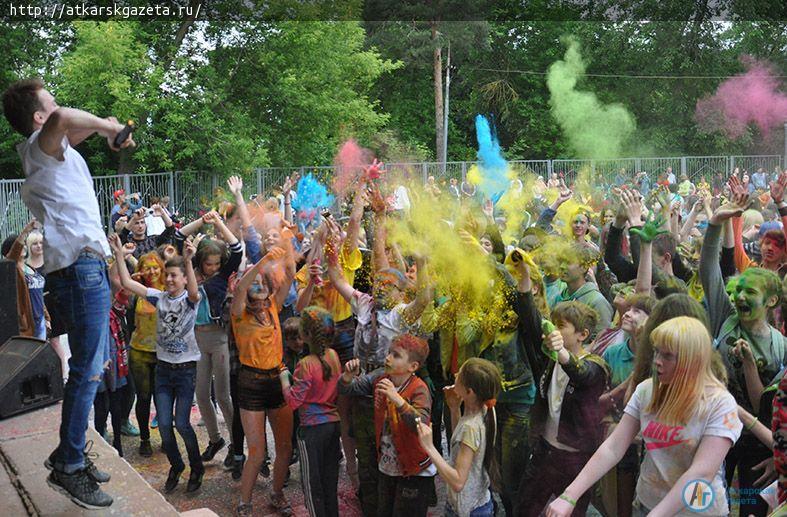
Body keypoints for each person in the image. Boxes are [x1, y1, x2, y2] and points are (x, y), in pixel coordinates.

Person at [3, 78, 134, 508]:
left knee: (89, 367)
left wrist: (103, 130)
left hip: (82, 269)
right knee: (87, 372)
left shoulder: (52, 153)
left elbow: (69, 128)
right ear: (39, 118)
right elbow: (63, 120)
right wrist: (107, 125)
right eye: (51, 104)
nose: (59, 108)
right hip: (79, 270)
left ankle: (67, 451)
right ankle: (70, 467)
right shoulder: (45, 144)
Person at [546, 317, 742, 517]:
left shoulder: (719, 403)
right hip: (647, 504)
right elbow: (613, 447)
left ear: (692, 360)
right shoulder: (647, 390)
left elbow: (701, 472)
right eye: (656, 351)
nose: (657, 360)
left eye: (667, 356)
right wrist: (569, 495)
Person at [110, 233, 205, 494]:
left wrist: (187, 260)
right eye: (169, 275)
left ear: (185, 278)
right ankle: (177, 465)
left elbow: (195, 292)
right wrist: (119, 254)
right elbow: (128, 282)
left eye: (177, 275)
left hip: (185, 371)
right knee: (164, 424)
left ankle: (196, 467)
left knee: (182, 424)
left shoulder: (190, 299)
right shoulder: (158, 297)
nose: (171, 279)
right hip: (163, 370)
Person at [515, 301, 610, 516]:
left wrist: (561, 351)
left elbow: (581, 373)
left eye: (561, 326)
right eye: (553, 324)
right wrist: (524, 282)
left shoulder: (597, 367)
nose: (554, 331)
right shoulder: (550, 359)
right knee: (524, 509)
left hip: (576, 461)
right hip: (544, 452)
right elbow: (530, 318)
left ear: (582, 334)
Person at [339, 335, 436, 517]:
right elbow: (347, 389)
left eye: (396, 355)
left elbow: (421, 424)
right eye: (389, 352)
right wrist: (347, 377)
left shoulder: (418, 388)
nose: (388, 358)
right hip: (388, 467)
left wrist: (397, 399)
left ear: (413, 367)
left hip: (414, 470)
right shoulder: (381, 377)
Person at [230, 245, 295, 515]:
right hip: (251, 384)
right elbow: (240, 289)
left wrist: (287, 241)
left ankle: (276, 494)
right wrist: (261, 263)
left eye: (262, 281)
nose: (256, 284)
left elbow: (290, 275)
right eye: (252, 282)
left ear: (269, 287)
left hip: (278, 381)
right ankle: (244, 503)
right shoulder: (238, 313)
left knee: (284, 447)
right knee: (256, 451)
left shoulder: (274, 308)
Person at [177, 210, 242, 467]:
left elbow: (236, 250)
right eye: (209, 263)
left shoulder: (222, 277)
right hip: (197, 339)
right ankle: (216, 439)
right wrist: (190, 247)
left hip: (219, 338)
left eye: (217, 263)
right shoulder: (191, 273)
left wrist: (218, 223)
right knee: (202, 393)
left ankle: (237, 443)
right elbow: (175, 243)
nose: (213, 268)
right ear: (201, 262)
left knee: (224, 395)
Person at [417, 358, 501, 517]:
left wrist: (429, 447)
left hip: (468, 510)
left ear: (469, 392)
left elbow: (457, 482)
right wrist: (455, 409)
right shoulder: (487, 408)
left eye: (459, 375)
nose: (455, 374)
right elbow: (461, 446)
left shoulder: (471, 426)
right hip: (478, 501)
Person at [279, 307, 342, 517]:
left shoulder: (306, 364)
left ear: (305, 335)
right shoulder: (334, 356)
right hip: (333, 426)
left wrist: (283, 379)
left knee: (312, 483)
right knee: (329, 480)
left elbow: (294, 401)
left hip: (312, 430)